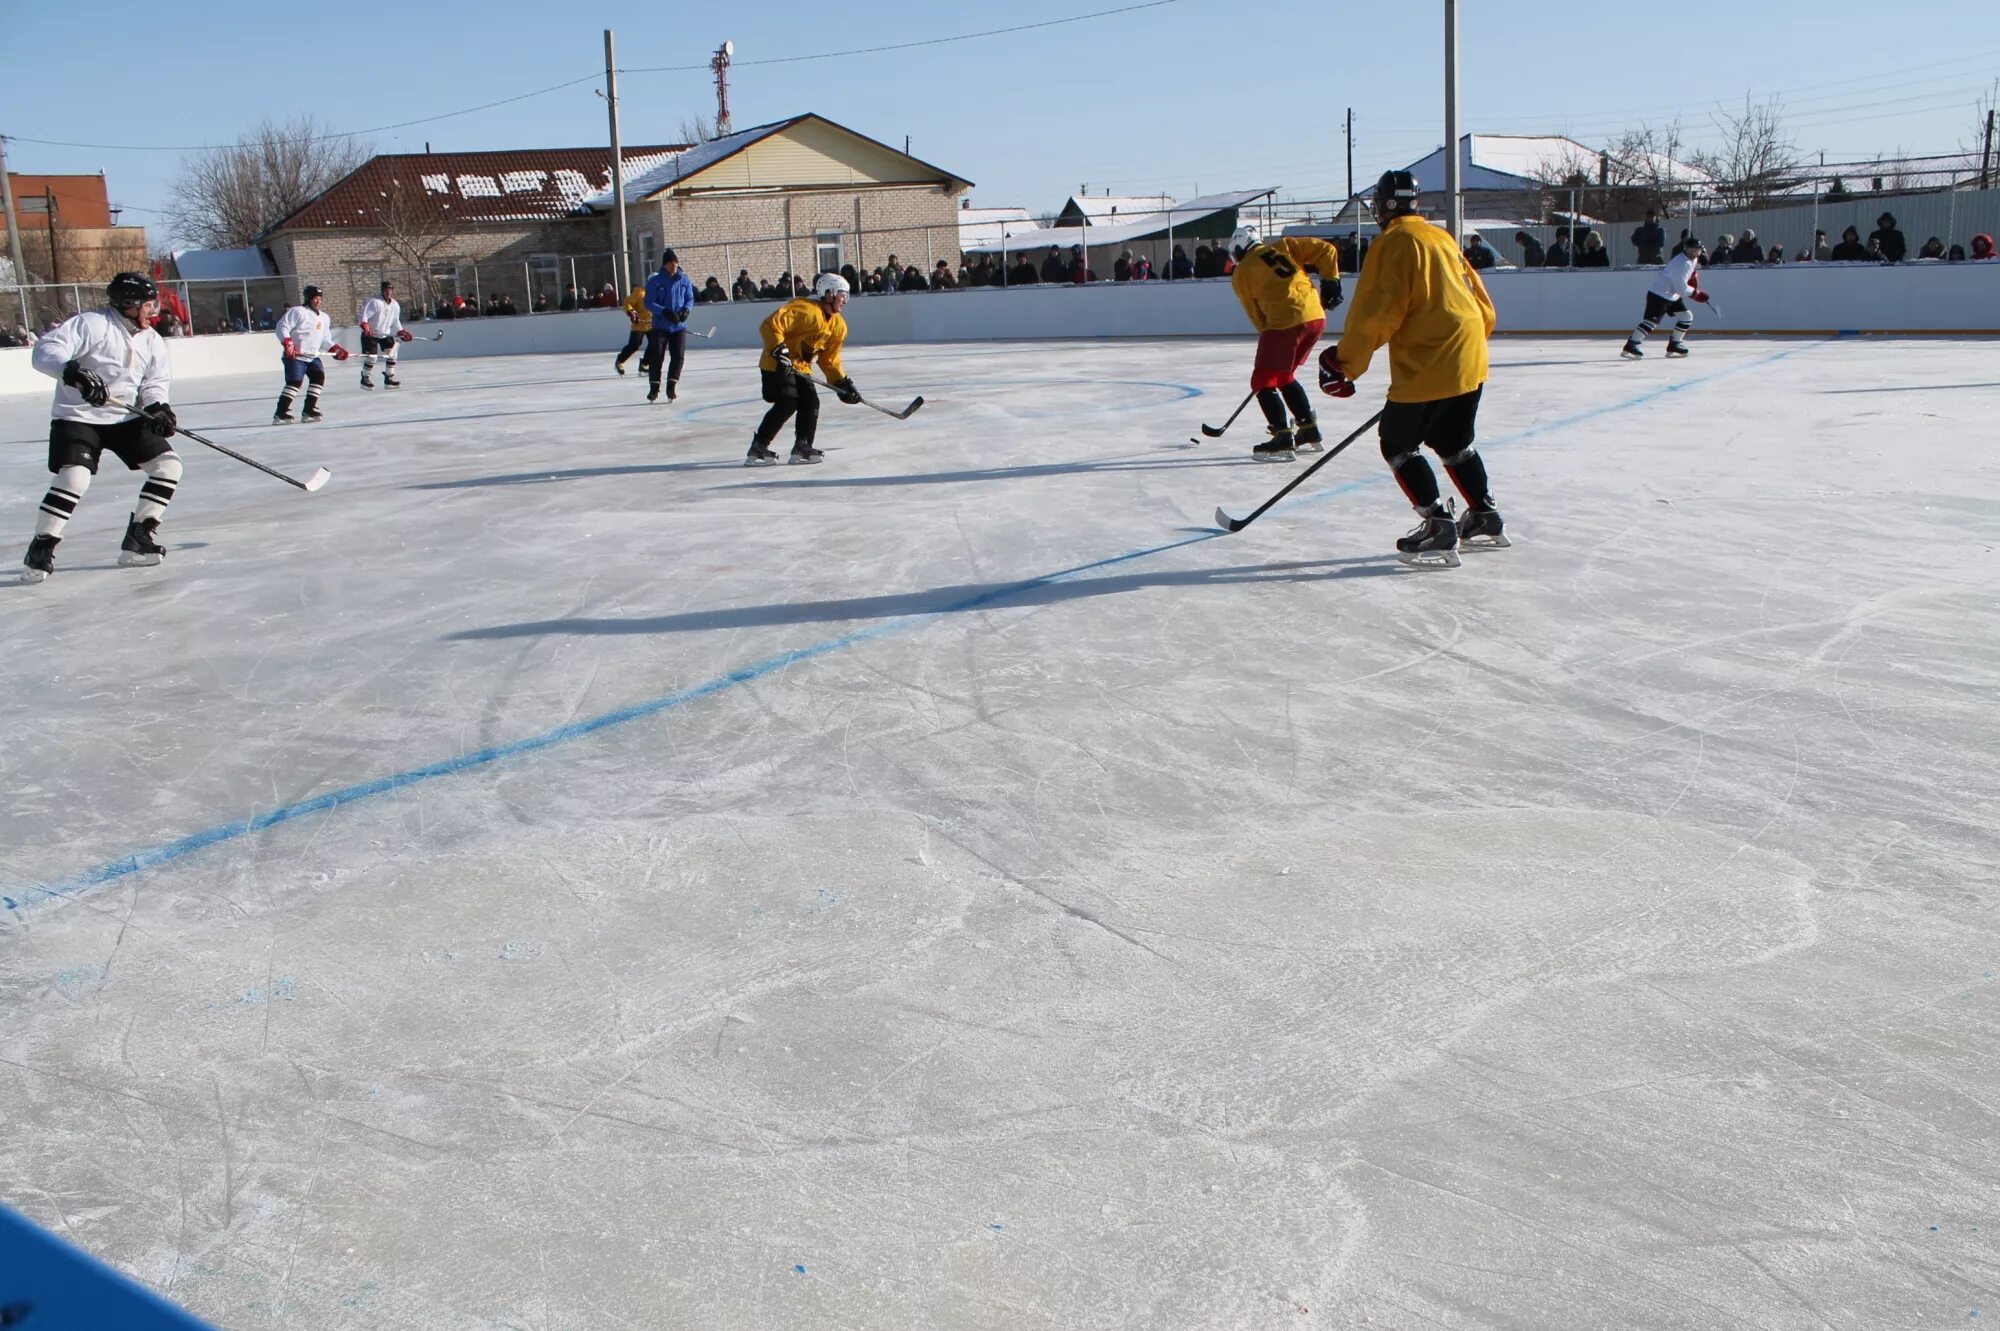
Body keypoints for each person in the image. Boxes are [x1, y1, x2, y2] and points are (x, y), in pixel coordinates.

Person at [1317, 170, 1503, 568]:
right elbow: (1481, 302)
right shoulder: (1441, 238)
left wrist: (1344, 365)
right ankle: (1485, 513)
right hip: (1469, 354)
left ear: (1383, 207)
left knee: (1397, 443)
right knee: (1454, 442)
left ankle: (1439, 524)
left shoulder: (1393, 244)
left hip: (1430, 359)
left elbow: (1376, 314)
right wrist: (1468, 345)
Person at [19, 272, 183, 583]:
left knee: (168, 467)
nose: (155, 310)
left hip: (126, 418)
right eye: (149, 304)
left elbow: (155, 382)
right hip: (77, 416)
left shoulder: (152, 340)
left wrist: (158, 408)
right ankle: (42, 545)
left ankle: (139, 539)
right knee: (74, 478)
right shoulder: (92, 324)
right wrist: (72, 374)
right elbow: (45, 352)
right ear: (129, 305)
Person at [1228, 223, 1343, 463]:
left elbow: (1255, 313)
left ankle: (1282, 436)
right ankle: (1308, 428)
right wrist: (1331, 280)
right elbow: (1327, 250)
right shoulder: (1284, 246)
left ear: (1238, 250)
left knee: (1262, 379)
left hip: (1285, 321)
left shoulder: (1241, 272)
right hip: (1316, 317)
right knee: (1283, 375)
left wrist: (1268, 336)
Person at [747, 272, 863, 467]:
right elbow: (770, 325)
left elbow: (829, 360)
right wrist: (778, 348)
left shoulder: (838, 326)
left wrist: (841, 383)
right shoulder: (805, 309)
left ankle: (802, 446)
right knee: (788, 400)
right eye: (843, 295)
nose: (845, 301)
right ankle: (759, 446)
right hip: (776, 364)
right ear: (829, 293)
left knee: (811, 401)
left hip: (800, 368)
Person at [1620, 234, 1709, 361]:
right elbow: (1682, 289)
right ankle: (1632, 344)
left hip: (1671, 295)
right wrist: (1696, 293)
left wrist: (1693, 274)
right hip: (1659, 295)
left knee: (1686, 316)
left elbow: (1688, 274)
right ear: (1685, 249)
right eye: (1691, 250)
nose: (1694, 253)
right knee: (1651, 322)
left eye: (1697, 250)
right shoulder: (1681, 263)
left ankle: (1675, 344)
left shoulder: (1693, 259)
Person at [273, 285, 348, 423]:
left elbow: (325, 339)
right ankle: (281, 413)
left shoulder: (324, 318)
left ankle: (309, 410)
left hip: (312, 356)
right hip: (296, 356)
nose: (318, 301)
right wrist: (287, 342)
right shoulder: (298, 311)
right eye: (315, 298)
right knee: (294, 382)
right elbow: (281, 327)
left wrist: (335, 349)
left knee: (318, 378)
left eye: (320, 298)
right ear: (308, 298)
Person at [642, 249, 695, 403]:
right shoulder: (655, 281)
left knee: (678, 356)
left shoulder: (684, 281)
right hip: (660, 326)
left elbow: (690, 298)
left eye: (676, 262)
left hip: (679, 326)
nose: (675, 265)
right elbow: (649, 302)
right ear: (665, 264)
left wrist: (686, 310)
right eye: (672, 263)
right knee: (656, 356)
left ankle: (671, 386)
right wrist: (664, 311)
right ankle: (654, 388)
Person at [358, 280, 412, 389]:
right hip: (370, 334)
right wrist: (365, 325)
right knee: (372, 357)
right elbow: (363, 315)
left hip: (384, 334)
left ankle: (389, 378)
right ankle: (365, 378)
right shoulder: (375, 302)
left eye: (390, 290)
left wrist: (401, 332)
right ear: (382, 291)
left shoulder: (395, 305)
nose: (388, 292)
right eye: (386, 290)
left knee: (393, 353)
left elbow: (396, 321)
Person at [614, 281, 651, 376]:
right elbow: (627, 302)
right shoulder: (640, 292)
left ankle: (645, 363)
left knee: (656, 345)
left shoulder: (661, 292)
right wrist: (631, 312)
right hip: (639, 324)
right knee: (635, 344)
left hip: (654, 324)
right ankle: (620, 360)